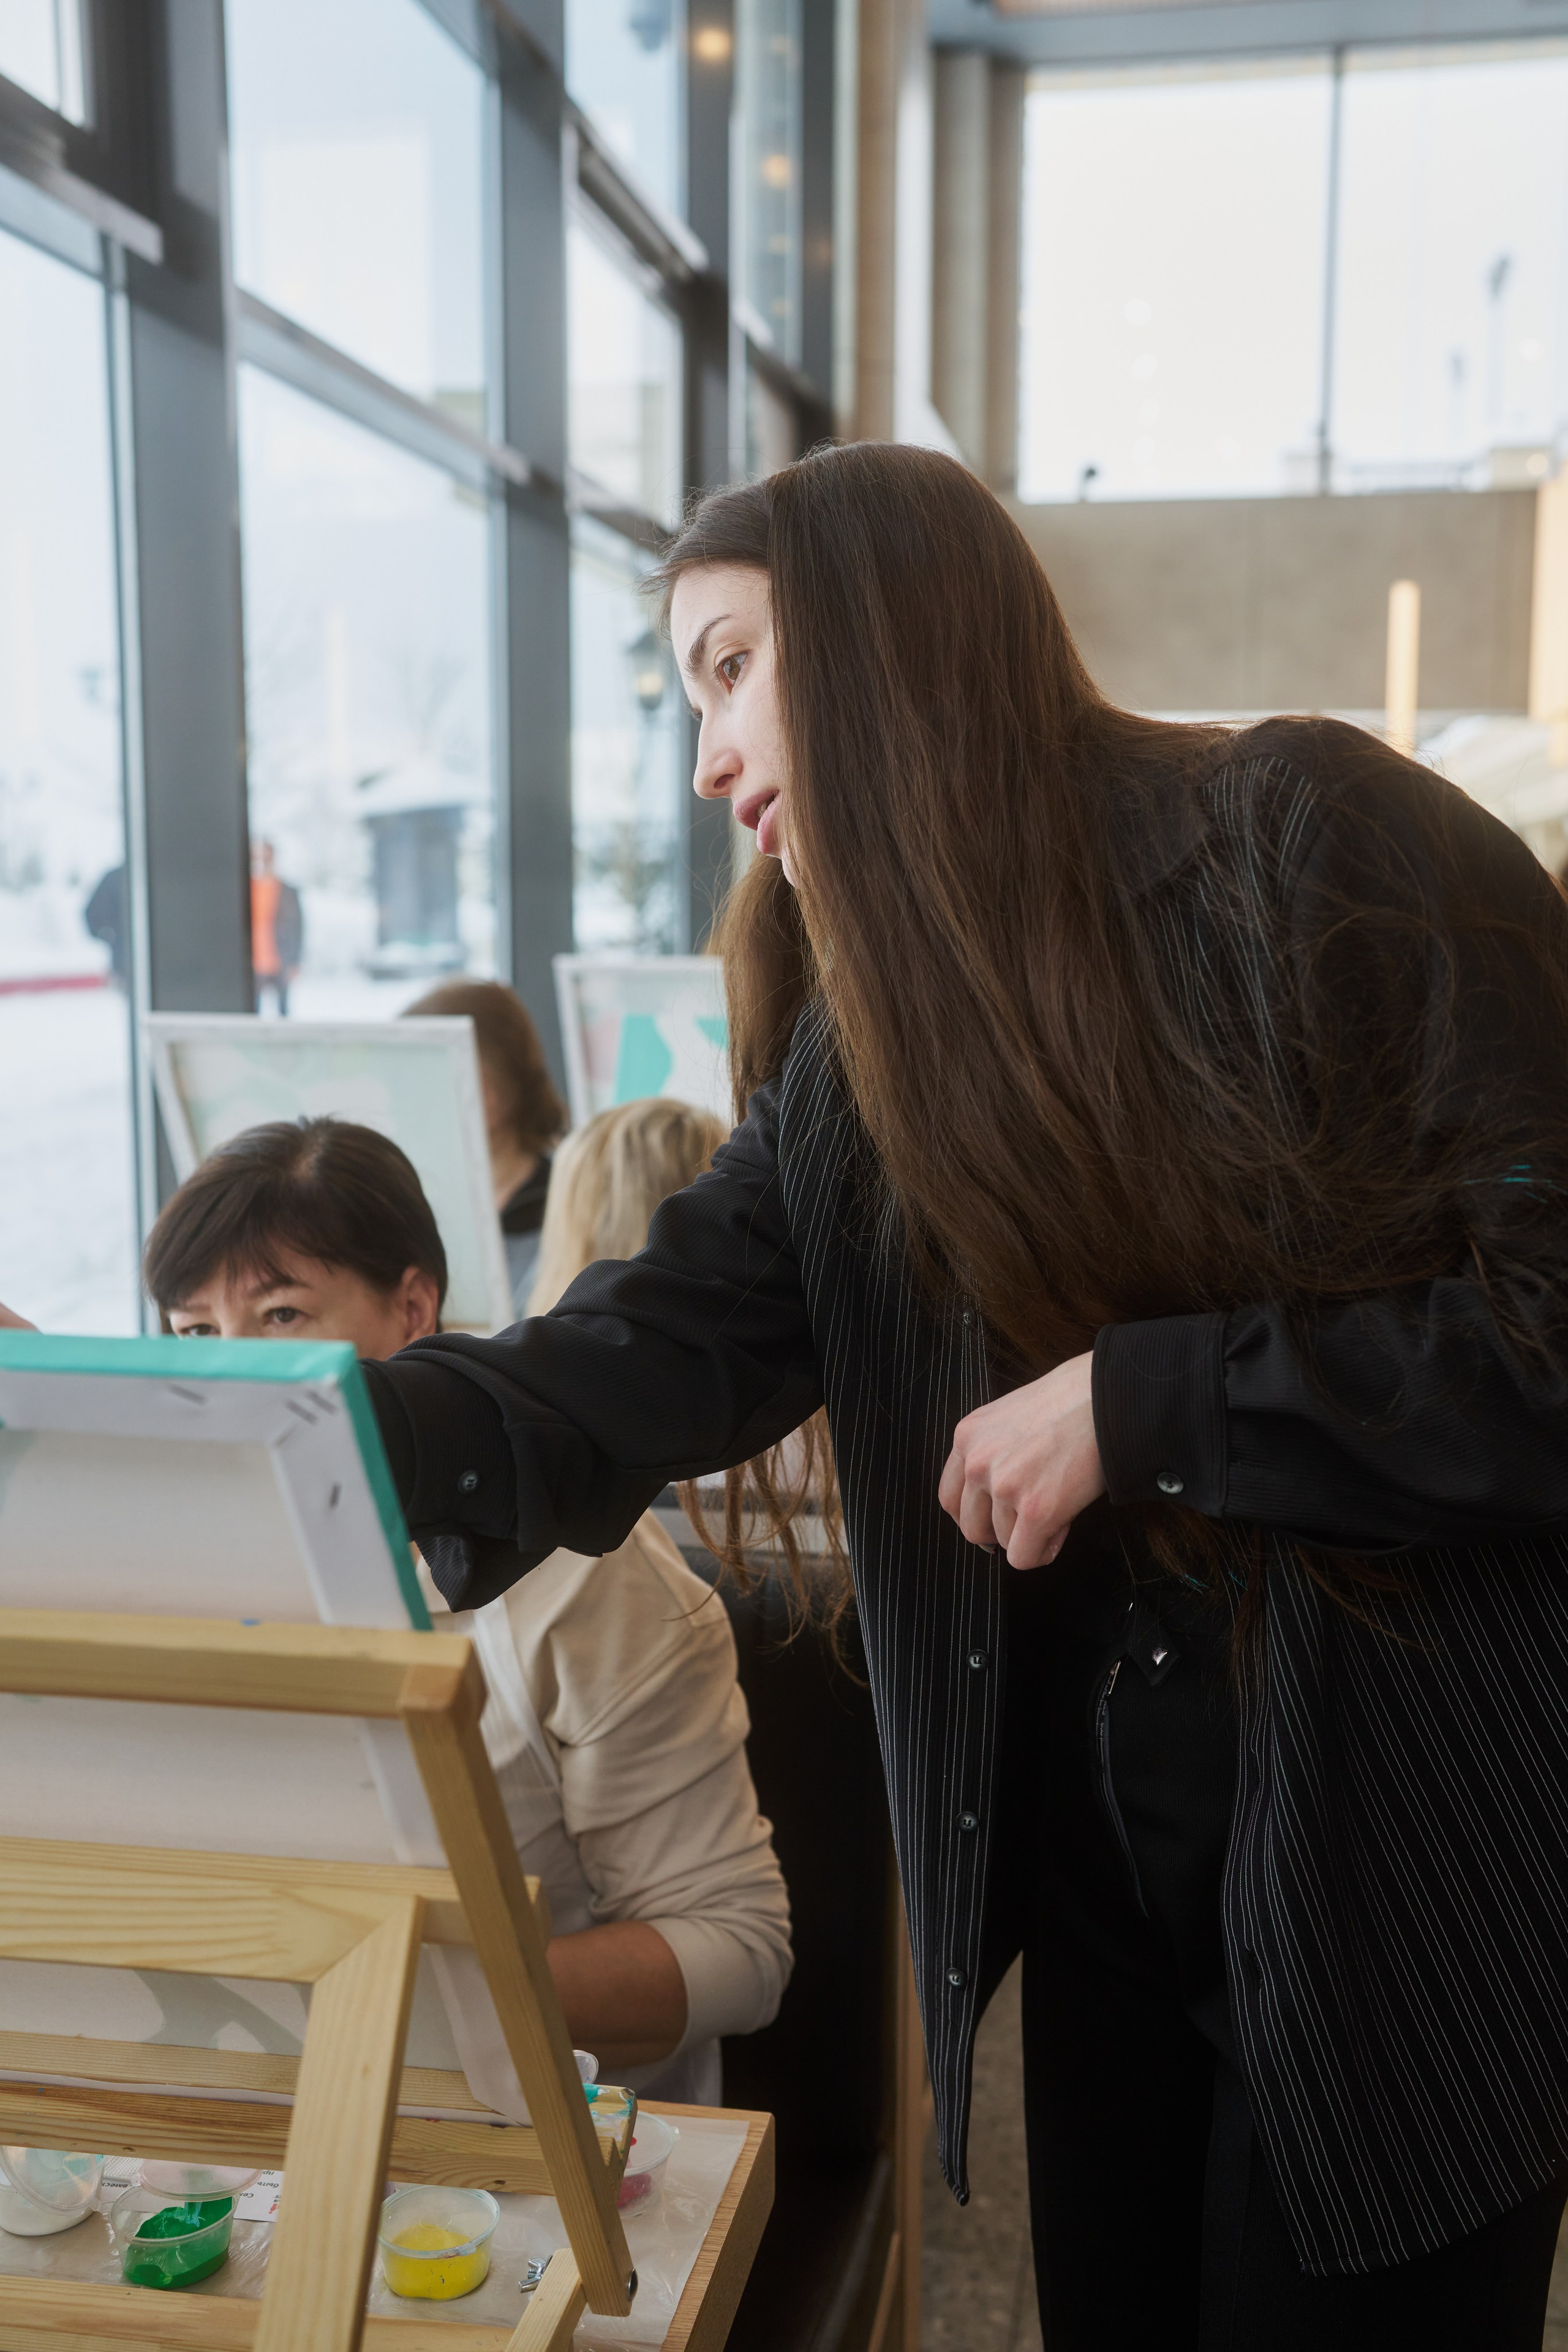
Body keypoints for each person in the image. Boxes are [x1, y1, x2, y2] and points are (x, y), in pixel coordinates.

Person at [352, 441, 1568, 2350]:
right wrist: (308, 1435)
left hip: (1389, 1869)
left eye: (730, 664)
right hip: (1098, 1875)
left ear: (887, 635)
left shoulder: (1315, 839)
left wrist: (1147, 1401)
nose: (703, 757)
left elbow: (1549, 1339)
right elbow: (646, 1341)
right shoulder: (866, 1056)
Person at [141, 1112, 791, 2100]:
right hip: (265, 2098)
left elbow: (738, 1951)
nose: (237, 1378)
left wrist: (399, 1996)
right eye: (196, 1334)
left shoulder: (586, 1576)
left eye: (281, 1318)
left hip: (544, 2130)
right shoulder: (174, 1566)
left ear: (414, 1312)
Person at [403, 979, 567, 1315]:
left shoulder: (560, 1202)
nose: (420, 1096)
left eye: (435, 1074)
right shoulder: (418, 1194)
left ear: (492, 1088)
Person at [251, 839, 302, 1016]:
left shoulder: (287, 891)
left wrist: (295, 961)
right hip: (253, 963)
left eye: (267, 856)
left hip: (280, 959)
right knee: (252, 1012)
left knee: (283, 1012)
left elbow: (298, 927)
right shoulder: (248, 889)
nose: (263, 860)